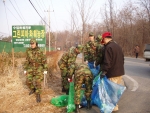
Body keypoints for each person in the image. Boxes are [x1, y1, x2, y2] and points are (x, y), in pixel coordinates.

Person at [100, 32, 124, 112]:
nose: (103, 42)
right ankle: (115, 106)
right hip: (120, 72)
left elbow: (107, 62)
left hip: (112, 73)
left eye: (103, 40)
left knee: (112, 91)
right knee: (115, 90)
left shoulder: (109, 47)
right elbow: (122, 59)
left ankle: (113, 107)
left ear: (105, 39)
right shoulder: (118, 46)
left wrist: (104, 72)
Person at [23, 38, 48, 103]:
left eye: (33, 43)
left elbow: (44, 61)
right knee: (28, 81)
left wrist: (45, 69)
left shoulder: (40, 51)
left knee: (38, 82)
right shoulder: (28, 51)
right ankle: (33, 89)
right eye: (31, 44)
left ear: (36, 43)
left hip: (39, 68)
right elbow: (27, 61)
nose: (32, 45)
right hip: (31, 67)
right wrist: (25, 69)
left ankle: (38, 94)